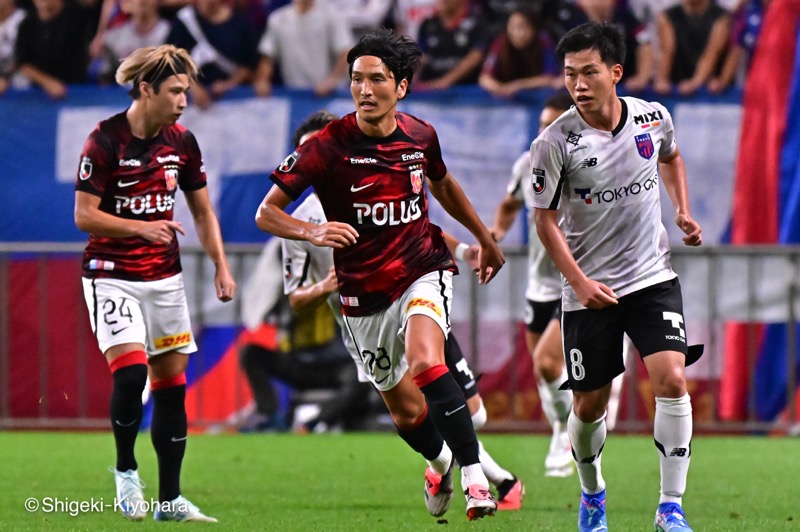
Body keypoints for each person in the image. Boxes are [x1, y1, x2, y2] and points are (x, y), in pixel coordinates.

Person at [255, 29, 505, 520]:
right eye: (356, 80)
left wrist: (486, 238)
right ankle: (441, 462)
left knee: (427, 361)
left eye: (376, 79)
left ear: (402, 86)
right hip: (362, 297)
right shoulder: (326, 146)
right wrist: (314, 232)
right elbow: (267, 212)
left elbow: (444, 185)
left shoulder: (420, 135)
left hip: (421, 267)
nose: (364, 90)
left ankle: (477, 479)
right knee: (406, 412)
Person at [281, 110, 525, 509]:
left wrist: (467, 249)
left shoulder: (378, 165)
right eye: (308, 151)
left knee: (463, 404)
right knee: (412, 412)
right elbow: (295, 296)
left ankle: (481, 476)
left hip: (416, 289)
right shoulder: (302, 218)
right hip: (363, 316)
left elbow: (420, 223)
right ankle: (453, 467)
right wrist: (325, 283)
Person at [530, 22, 702, 532]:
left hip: (652, 275)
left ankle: (670, 506)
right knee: (588, 405)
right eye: (569, 75)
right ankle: (592, 494)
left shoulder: (653, 117)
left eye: (589, 73)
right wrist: (579, 283)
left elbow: (671, 155)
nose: (578, 85)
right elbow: (543, 220)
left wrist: (682, 209)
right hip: (592, 291)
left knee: (671, 377)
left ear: (615, 72)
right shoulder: (554, 142)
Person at [74, 44, 236, 523]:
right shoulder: (104, 141)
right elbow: (84, 216)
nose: (184, 100)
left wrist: (222, 268)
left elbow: (203, 212)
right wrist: (140, 227)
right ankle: (126, 471)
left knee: (171, 386)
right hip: (111, 276)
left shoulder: (182, 142)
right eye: (176, 91)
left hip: (164, 279)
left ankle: (170, 501)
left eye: (186, 91)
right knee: (131, 374)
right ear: (146, 89)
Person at [489, 90, 575, 478]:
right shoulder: (527, 165)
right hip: (538, 284)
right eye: (541, 125)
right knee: (544, 373)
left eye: (553, 126)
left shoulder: (587, 165)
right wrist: (497, 231)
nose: (543, 134)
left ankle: (568, 433)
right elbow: (510, 204)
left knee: (546, 361)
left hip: (575, 282)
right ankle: (563, 426)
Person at [479, 9, 561, 98]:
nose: (518, 33)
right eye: (513, 27)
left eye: (523, 27)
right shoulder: (501, 43)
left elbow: (550, 78)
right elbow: (485, 78)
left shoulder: (544, 42)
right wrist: (499, 88)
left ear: (534, 28)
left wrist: (517, 86)